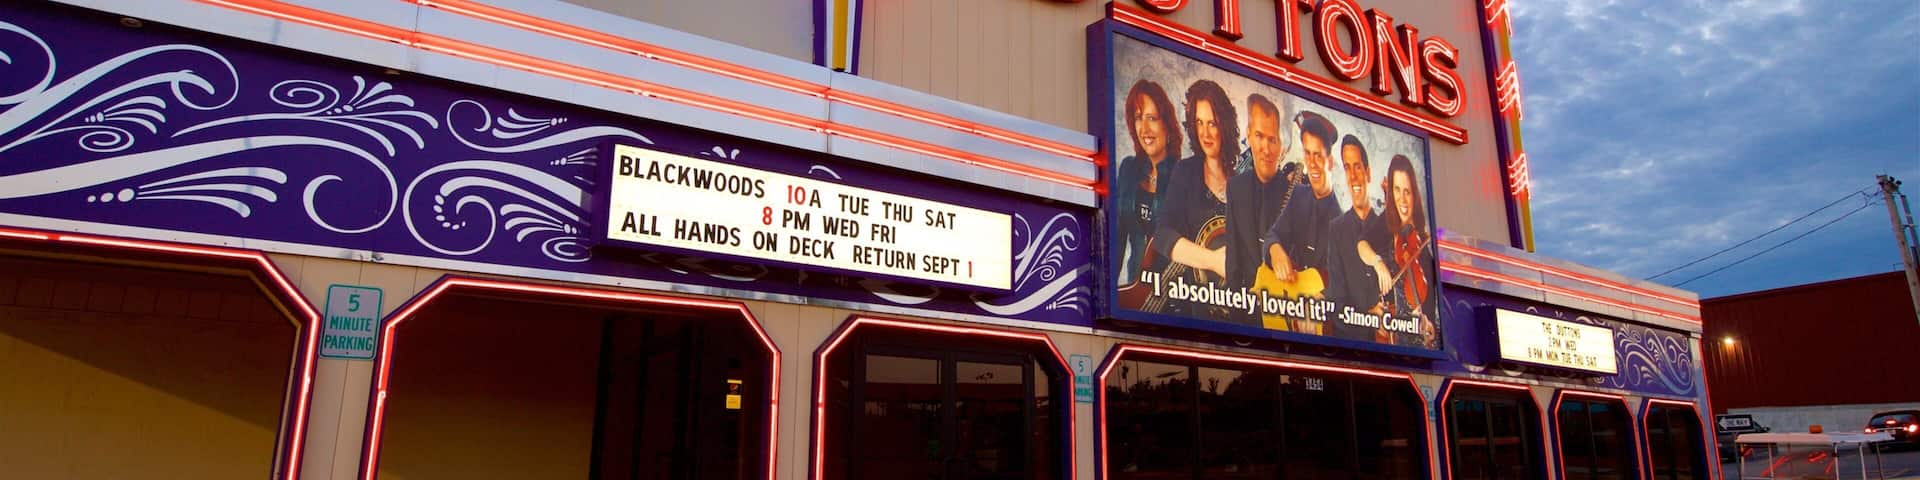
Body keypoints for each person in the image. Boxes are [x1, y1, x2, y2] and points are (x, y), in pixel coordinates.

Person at [1148, 79, 1237, 316]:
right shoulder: (1186, 172)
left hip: (1238, 315)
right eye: (1199, 122)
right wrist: (1213, 261)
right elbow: (1162, 235)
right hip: (1191, 311)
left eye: (1212, 123)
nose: (1205, 133)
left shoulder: (1240, 182)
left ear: (1225, 125)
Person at [1222, 93, 1292, 326]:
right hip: (1246, 318)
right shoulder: (1235, 187)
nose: (1266, 148)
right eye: (1260, 136)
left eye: (1272, 139)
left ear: (1280, 145)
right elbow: (1233, 260)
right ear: (1249, 136)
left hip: (1286, 317)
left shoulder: (1296, 193)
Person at [1322, 134, 1394, 342]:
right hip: (1349, 345)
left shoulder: (1387, 227)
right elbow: (1337, 301)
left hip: (1389, 346)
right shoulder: (1336, 230)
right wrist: (1368, 318)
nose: (1353, 176)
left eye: (1357, 167)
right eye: (1347, 168)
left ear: (1368, 173)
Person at [1113, 80, 1183, 288]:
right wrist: (1108, 294)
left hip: (1172, 294)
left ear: (1167, 125)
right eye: (1138, 118)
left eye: (1152, 118)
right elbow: (1117, 240)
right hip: (1133, 290)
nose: (1144, 128)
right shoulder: (1128, 169)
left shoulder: (1183, 176)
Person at [1261, 111, 1343, 282]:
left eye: (1318, 155)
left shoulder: (1342, 223)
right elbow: (1273, 235)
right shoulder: (1298, 195)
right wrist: (1275, 249)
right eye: (1308, 153)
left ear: (1330, 162)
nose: (1311, 164)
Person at [1379, 155, 1436, 347]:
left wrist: (1427, 320)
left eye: (1407, 192)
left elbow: (1432, 307)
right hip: (1395, 334)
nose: (1402, 199)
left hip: (1414, 337)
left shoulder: (1423, 248)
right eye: (1396, 190)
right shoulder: (1385, 239)